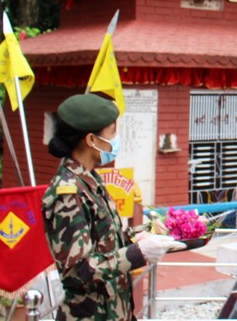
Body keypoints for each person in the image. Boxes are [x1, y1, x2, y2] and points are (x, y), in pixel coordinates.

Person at [42, 93, 183, 320]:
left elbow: (106, 240)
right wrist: (137, 254)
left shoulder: (90, 180)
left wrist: (144, 234)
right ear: (91, 140)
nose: (116, 139)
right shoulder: (68, 193)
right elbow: (77, 271)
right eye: (112, 132)